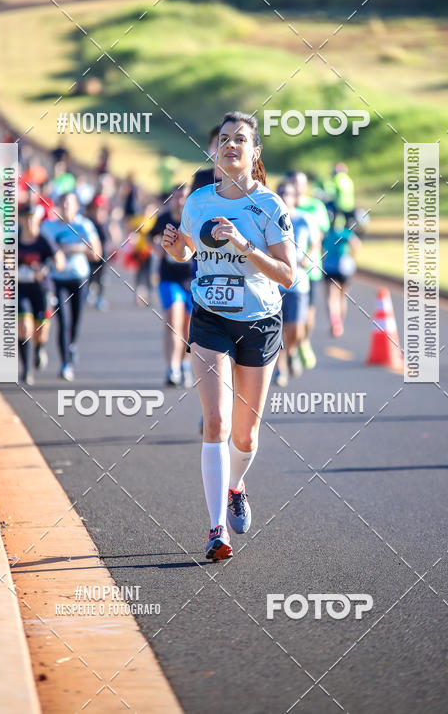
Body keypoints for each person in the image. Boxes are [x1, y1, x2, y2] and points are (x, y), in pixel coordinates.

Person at [162, 112, 296, 561]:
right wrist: (175, 247)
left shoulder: (271, 206)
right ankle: (216, 529)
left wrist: (243, 244)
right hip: (211, 318)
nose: (231, 145)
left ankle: (237, 486)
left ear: (254, 153)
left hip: (259, 322)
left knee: (246, 436)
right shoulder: (197, 201)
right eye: (224, 139)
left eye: (241, 139)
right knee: (214, 422)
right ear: (214, 150)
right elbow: (188, 251)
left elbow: (288, 275)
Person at [41, 192, 102, 380]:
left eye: (70, 203)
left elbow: (96, 254)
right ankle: (65, 363)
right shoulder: (48, 227)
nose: (66, 206)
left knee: (75, 321)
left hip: (78, 278)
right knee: (63, 322)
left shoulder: (84, 225)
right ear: (58, 205)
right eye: (63, 203)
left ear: (76, 206)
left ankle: (72, 345)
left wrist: (75, 249)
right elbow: (40, 252)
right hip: (57, 279)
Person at [150, 184, 194, 387]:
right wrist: (159, 247)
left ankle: (185, 364)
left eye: (184, 197)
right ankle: (172, 367)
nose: (180, 201)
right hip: (169, 278)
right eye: (176, 197)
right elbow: (151, 239)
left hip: (193, 280)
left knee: (188, 327)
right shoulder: (163, 219)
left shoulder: (194, 219)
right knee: (173, 323)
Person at [17, 206, 65, 385]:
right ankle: (26, 370)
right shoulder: (14, 240)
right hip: (21, 289)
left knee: (41, 330)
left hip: (42, 290)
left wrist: (46, 269)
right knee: (24, 327)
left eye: (32, 218)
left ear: (37, 219)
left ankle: (40, 347)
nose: (29, 222)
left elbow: (60, 261)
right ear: (21, 220)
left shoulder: (44, 240)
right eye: (25, 218)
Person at [292, 172, 330, 368]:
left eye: (301, 183)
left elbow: (321, 233)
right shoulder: (283, 205)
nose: (297, 187)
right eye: (294, 183)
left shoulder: (315, 207)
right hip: (288, 270)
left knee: (308, 313)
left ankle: (303, 342)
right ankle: (290, 350)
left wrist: (307, 254)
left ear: (306, 185)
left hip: (311, 269)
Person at [274, 182, 311, 387]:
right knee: (277, 328)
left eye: (288, 193)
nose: (284, 196)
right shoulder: (271, 219)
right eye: (280, 193)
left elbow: (315, 243)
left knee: (295, 328)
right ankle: (281, 369)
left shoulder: (305, 220)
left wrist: (310, 256)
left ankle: (292, 351)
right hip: (276, 283)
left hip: (299, 283)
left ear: (295, 197)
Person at [322, 213, 361, 337]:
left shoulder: (328, 234)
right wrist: (352, 257)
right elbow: (357, 244)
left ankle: (334, 322)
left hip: (329, 266)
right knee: (342, 296)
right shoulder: (346, 233)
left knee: (331, 296)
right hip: (344, 267)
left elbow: (322, 246)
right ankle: (340, 324)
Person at [190, 125, 220, 192]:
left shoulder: (240, 181)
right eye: (217, 144)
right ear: (209, 148)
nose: (221, 149)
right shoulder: (201, 177)